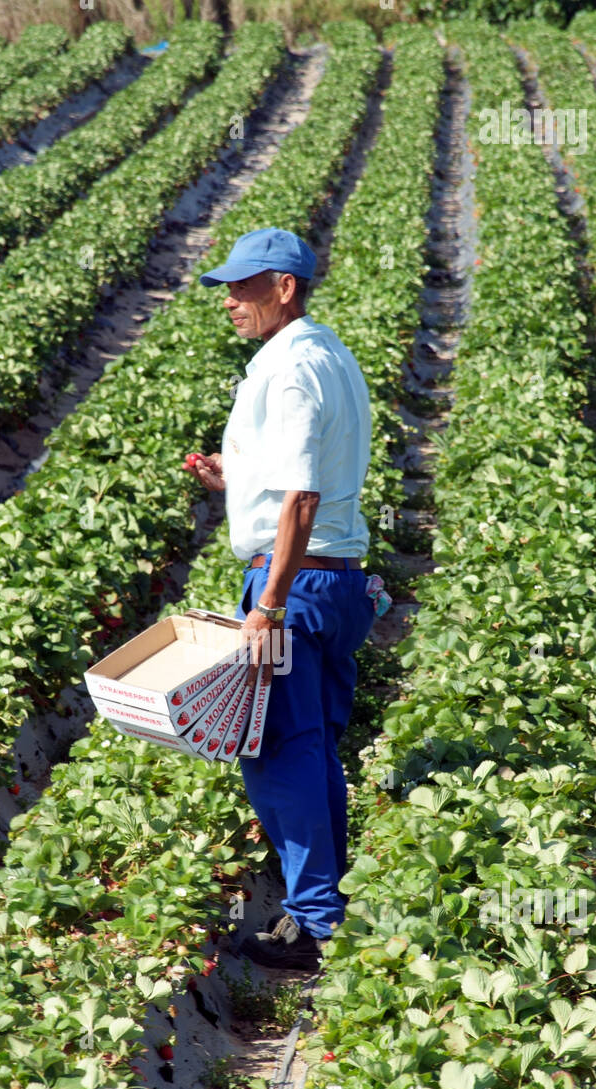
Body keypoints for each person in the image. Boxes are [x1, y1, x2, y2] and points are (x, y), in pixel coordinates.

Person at [189, 226, 375, 970]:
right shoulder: (328, 352)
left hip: (295, 585)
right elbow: (300, 477)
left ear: (285, 287)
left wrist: (267, 605)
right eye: (228, 287)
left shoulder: (291, 369)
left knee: (272, 751)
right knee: (312, 745)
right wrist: (235, 484)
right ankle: (326, 906)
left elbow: (302, 495)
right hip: (336, 577)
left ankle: (319, 923)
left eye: (244, 286)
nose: (231, 301)